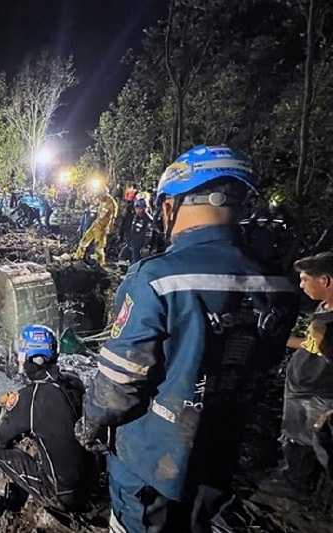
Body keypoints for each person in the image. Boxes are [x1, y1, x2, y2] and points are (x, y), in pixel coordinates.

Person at [75, 145, 298, 533]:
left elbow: (117, 392)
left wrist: (88, 426)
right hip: (220, 457)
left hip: (151, 463)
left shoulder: (156, 279)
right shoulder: (279, 285)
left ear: (170, 205)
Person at [0, 325, 93, 529]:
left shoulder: (30, 398)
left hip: (61, 496)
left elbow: (1, 439)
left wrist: (11, 409)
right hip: (89, 487)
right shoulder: (75, 382)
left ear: (30, 358)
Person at [261, 252, 333, 499]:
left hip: (320, 394)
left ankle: (306, 488)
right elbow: (312, 345)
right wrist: (278, 338)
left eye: (305, 279)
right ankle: (294, 479)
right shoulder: (324, 307)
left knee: (320, 443)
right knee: (295, 437)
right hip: (302, 388)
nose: (301, 285)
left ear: (325, 280)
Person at [69, 186, 118, 266]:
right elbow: (94, 205)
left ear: (105, 194)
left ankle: (100, 264)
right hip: (96, 224)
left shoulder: (111, 203)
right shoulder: (101, 199)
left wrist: (110, 227)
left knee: (99, 246)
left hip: (103, 227)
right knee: (84, 240)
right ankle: (78, 256)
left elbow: (113, 217)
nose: (99, 198)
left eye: (100, 196)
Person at [123, 198, 153, 264]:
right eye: (137, 208)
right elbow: (132, 229)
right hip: (133, 244)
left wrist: (145, 246)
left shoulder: (148, 220)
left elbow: (148, 235)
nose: (138, 210)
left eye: (140, 208)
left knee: (137, 263)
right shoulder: (136, 217)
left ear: (145, 208)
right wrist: (129, 241)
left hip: (141, 247)